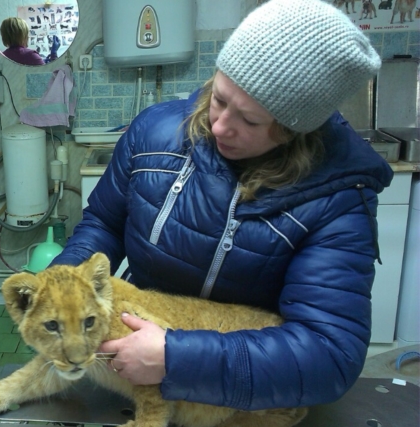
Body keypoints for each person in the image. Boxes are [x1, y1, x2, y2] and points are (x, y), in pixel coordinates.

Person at [51, 0, 391, 411]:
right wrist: (61, 291)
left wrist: (176, 358)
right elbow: (104, 223)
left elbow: (328, 354)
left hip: (242, 398)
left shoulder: (337, 201)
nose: (219, 126)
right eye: (219, 97)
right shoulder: (153, 132)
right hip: (133, 368)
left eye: (249, 120)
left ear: (293, 131)